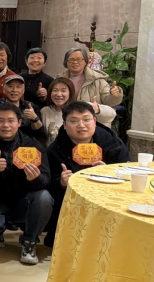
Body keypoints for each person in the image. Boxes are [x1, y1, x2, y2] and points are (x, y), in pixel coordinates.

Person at [46, 101, 130, 247]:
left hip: (107, 199)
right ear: (64, 125)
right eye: (74, 121)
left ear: (95, 121)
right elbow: (48, 183)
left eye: (86, 120)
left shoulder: (111, 142)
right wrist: (61, 182)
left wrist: (109, 172)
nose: (81, 125)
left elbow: (126, 172)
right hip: (72, 204)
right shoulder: (56, 149)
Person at [0, 105, 54, 265]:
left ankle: (29, 242)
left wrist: (35, 178)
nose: (6, 125)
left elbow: (46, 180)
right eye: (1, 121)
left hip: (22, 204)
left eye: (11, 120)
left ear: (19, 122)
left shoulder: (33, 146)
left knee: (44, 197)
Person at [40, 77, 116, 145]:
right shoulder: (45, 111)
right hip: (57, 152)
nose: (59, 94)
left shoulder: (81, 107)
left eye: (63, 91)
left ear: (70, 92)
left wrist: (98, 109)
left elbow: (112, 114)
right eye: (55, 90)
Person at [58, 47, 123, 107]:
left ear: (85, 62)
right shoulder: (59, 80)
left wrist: (114, 96)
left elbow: (108, 101)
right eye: (71, 60)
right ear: (66, 62)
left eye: (79, 59)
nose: (75, 62)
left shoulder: (97, 79)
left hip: (91, 115)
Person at [0, 75, 46, 143]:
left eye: (18, 87)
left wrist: (34, 118)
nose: (14, 90)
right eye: (10, 86)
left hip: (27, 144)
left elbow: (39, 132)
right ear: (4, 90)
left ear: (23, 90)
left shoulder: (31, 106)